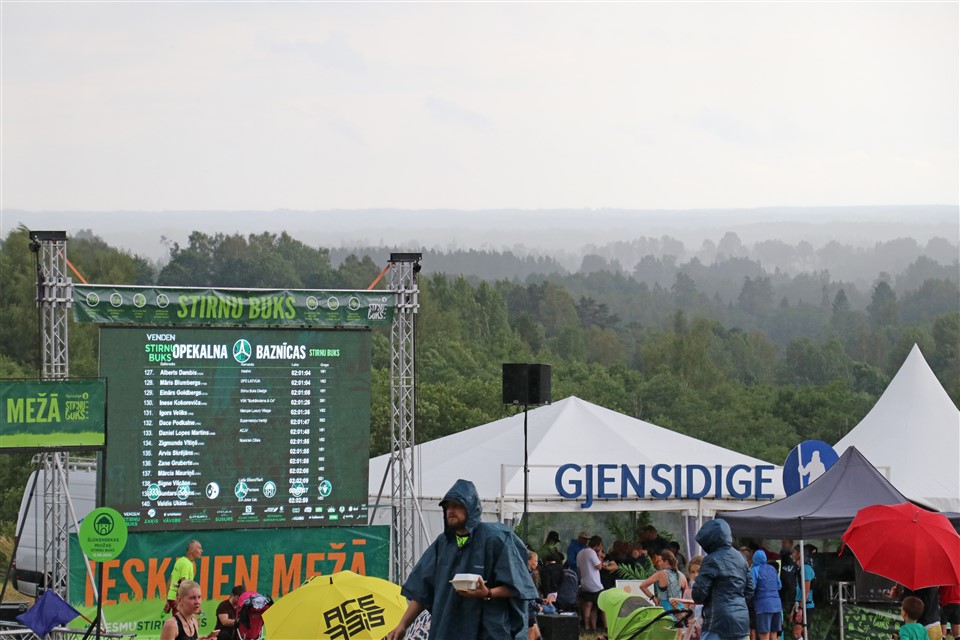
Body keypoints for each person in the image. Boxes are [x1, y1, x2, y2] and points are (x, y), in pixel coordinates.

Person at [384, 479, 538, 640]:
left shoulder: (495, 539)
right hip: (447, 630)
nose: (451, 510)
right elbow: (422, 591)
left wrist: (488, 592)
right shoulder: (442, 545)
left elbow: (519, 586)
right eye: (447, 506)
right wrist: (403, 626)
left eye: (457, 505)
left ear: (471, 508)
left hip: (488, 632)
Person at [691, 519, 754, 640]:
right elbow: (750, 589)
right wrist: (737, 602)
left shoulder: (711, 559)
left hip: (717, 621)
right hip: (741, 620)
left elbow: (698, 595)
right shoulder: (741, 558)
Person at [577, 535, 609, 633]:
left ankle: (588, 627)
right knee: (603, 606)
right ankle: (606, 627)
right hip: (595, 585)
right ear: (598, 545)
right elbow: (599, 566)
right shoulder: (591, 552)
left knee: (589, 606)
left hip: (584, 583)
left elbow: (579, 570)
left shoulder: (580, 553)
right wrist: (599, 554)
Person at [750, 550, 782, 640]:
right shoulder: (772, 569)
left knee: (764, 635)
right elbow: (779, 586)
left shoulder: (754, 570)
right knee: (774, 635)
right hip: (777, 605)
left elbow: (752, 587)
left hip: (763, 606)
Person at [165, 540, 203, 615]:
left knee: (184, 620)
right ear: (191, 550)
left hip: (173, 598)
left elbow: (170, 580)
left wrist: (168, 599)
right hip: (179, 600)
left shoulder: (180, 561)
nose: (201, 551)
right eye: (199, 548)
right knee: (184, 621)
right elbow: (184, 584)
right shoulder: (186, 564)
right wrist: (180, 601)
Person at [791, 545, 815, 640]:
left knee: (797, 633)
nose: (792, 555)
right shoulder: (799, 569)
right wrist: (794, 608)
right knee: (804, 633)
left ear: (799, 553)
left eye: (794, 552)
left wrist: (801, 609)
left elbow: (806, 591)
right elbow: (799, 592)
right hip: (800, 604)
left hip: (806, 605)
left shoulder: (806, 569)